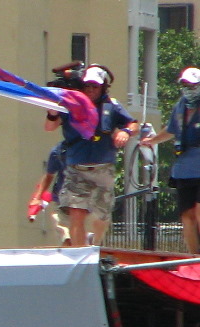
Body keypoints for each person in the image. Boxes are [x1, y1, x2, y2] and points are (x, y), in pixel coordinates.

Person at [45, 64, 138, 247]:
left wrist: (125, 131)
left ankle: (94, 243)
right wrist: (52, 112)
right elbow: (49, 127)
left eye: (94, 86)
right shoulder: (71, 104)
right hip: (76, 169)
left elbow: (134, 124)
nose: (90, 90)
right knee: (76, 214)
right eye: (87, 86)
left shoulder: (112, 106)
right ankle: (81, 254)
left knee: (102, 217)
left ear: (103, 87)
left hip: (103, 170)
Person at [141, 67, 200, 253]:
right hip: (184, 168)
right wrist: (152, 141)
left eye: (192, 85)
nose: (188, 88)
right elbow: (171, 129)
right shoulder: (180, 105)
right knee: (187, 215)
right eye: (185, 85)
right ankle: (194, 258)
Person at [28, 141, 73, 246]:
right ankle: (69, 240)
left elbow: (49, 176)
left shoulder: (59, 150)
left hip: (79, 199)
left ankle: (71, 240)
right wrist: (38, 197)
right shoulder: (59, 151)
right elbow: (49, 176)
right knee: (63, 228)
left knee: (67, 230)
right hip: (65, 200)